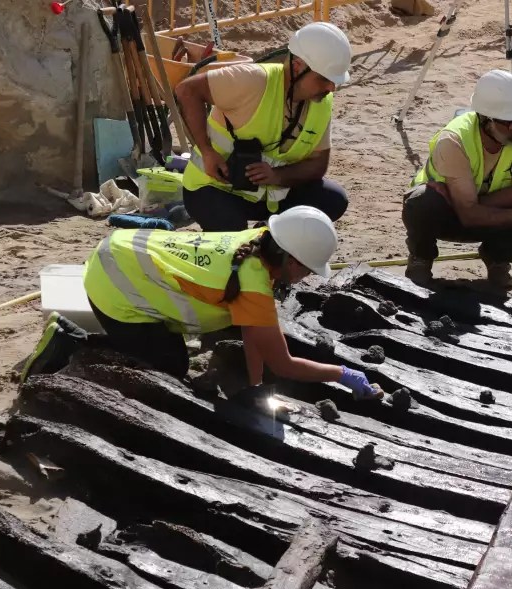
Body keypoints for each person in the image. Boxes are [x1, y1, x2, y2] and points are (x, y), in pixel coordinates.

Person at [22, 206, 379, 401]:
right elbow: (283, 364)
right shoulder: (254, 285)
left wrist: (255, 386)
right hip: (115, 283)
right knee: (169, 368)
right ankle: (68, 344)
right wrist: (343, 375)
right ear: (291, 260)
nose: (309, 278)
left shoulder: (258, 241)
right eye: (308, 270)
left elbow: (253, 334)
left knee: (183, 348)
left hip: (125, 250)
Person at [175, 22, 352, 230]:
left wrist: (277, 176)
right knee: (233, 240)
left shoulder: (321, 102)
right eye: (324, 79)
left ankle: (269, 234)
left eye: (333, 81)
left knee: (332, 199)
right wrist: (207, 151)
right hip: (216, 189)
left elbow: (318, 165)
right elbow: (187, 91)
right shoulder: (253, 80)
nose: (331, 87)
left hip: (269, 197)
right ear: (297, 66)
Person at [402, 70, 512, 291]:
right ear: (485, 120)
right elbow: (467, 216)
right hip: (446, 215)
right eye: (509, 122)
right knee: (420, 202)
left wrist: (475, 205)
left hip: (476, 209)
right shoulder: (453, 140)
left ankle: (497, 259)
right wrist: (471, 209)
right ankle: (421, 258)